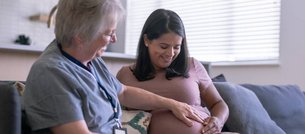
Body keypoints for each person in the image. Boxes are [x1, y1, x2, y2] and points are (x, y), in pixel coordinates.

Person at [23, 1, 204, 134]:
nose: (114, 39)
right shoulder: (51, 73)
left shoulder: (90, 60)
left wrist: (172, 104)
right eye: (109, 33)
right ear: (81, 35)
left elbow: (123, 92)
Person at [116, 9, 229, 134]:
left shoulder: (192, 65)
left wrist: (218, 121)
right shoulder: (125, 75)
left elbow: (218, 103)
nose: (170, 54)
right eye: (163, 46)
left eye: (177, 47)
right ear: (146, 40)